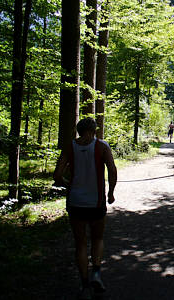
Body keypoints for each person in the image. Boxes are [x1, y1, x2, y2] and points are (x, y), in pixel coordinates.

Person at [53, 117, 117, 300]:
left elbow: (57, 175)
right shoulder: (102, 147)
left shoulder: (69, 147)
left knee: (80, 243)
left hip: (75, 203)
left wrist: (67, 185)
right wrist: (111, 193)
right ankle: (96, 273)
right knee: (97, 238)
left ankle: (84, 283)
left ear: (79, 131)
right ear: (94, 130)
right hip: (96, 203)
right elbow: (112, 170)